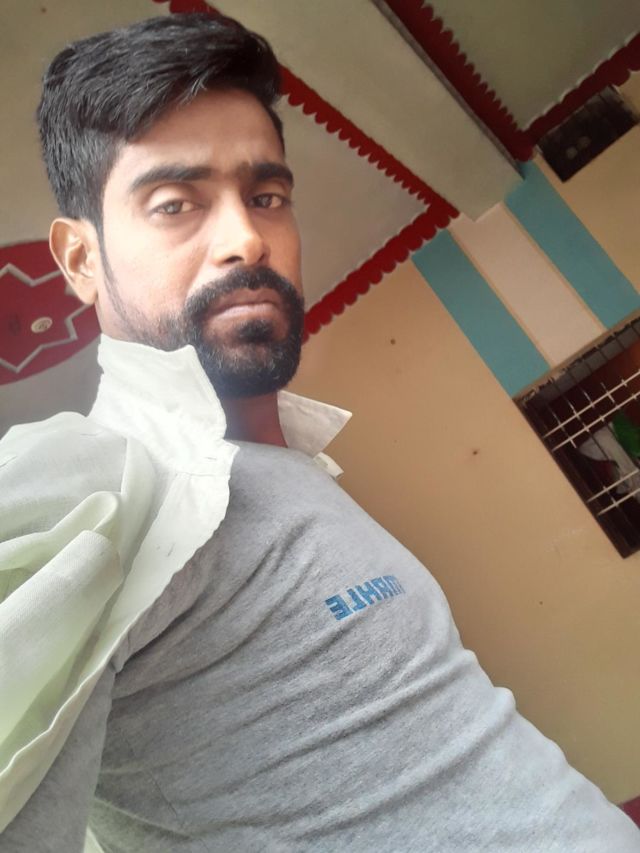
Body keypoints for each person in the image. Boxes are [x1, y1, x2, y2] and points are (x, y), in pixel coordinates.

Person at [1, 11, 638, 853]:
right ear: (82, 260)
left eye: (266, 196)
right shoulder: (95, 483)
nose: (246, 237)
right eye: (175, 204)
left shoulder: (293, 467)